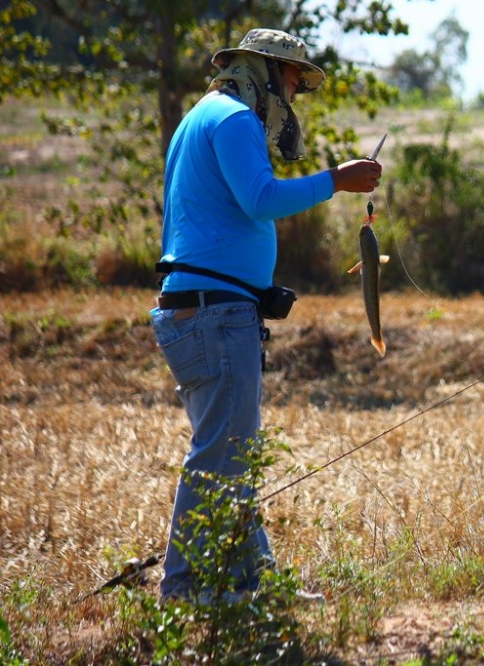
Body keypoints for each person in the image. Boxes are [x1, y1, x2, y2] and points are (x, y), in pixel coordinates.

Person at [151, 28, 382, 604]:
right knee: (219, 453)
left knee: (236, 453)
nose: (295, 92)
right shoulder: (233, 120)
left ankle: (256, 585)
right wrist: (336, 180)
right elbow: (260, 198)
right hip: (213, 313)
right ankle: (183, 591)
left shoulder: (202, 117)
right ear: (263, 70)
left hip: (209, 310)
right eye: (292, 78)